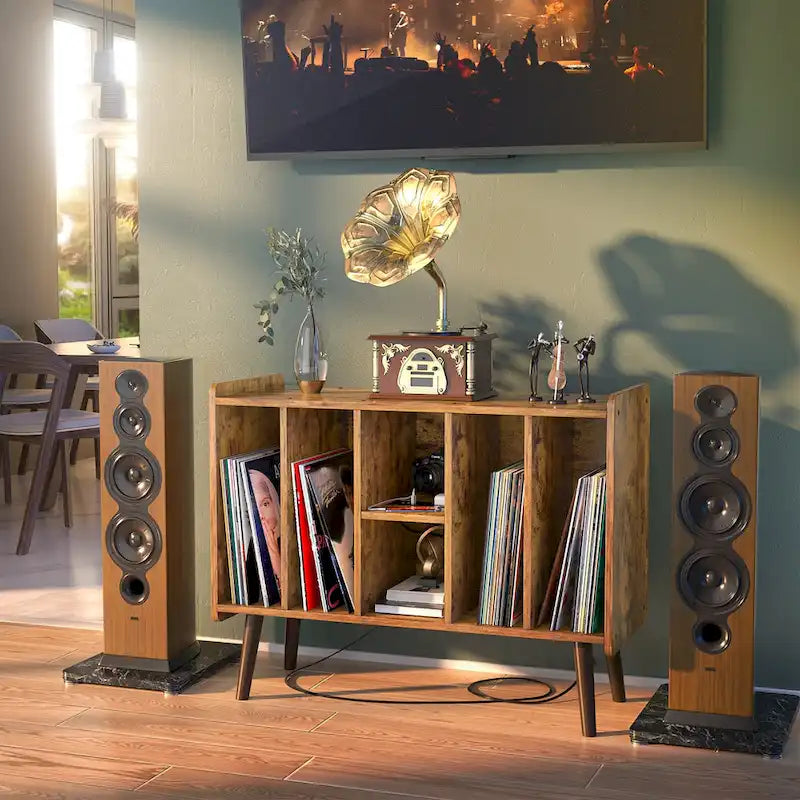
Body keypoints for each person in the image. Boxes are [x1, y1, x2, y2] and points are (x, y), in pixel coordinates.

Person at [249, 468, 281, 587]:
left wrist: (274, 553)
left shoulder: (290, 541)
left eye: (265, 504)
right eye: (255, 507)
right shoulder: (250, 553)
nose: (261, 515)